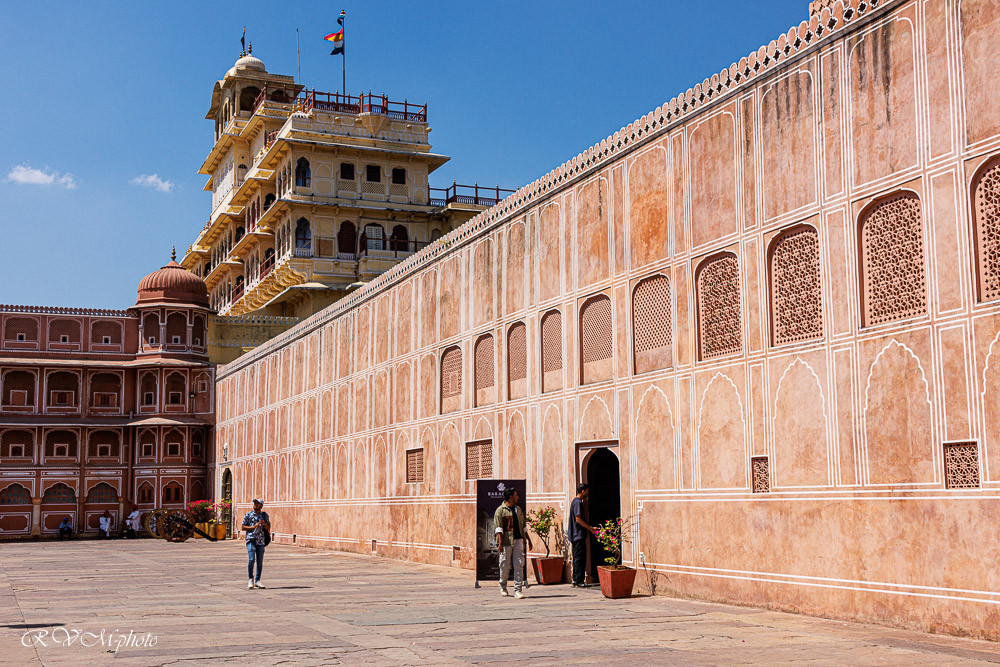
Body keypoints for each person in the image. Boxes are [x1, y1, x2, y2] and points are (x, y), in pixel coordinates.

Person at [493, 488, 533, 599]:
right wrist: (500, 543)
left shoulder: (518, 510)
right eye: (516, 495)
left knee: (519, 564)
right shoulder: (500, 510)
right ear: (511, 497)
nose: (518, 497)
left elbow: (523, 526)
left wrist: (528, 540)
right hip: (506, 542)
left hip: (518, 540)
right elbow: (498, 528)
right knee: (505, 565)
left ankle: (518, 590)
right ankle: (503, 586)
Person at [568, 483, 596, 587]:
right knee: (580, 558)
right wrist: (590, 528)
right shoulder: (578, 502)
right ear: (583, 491)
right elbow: (578, 519)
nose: (588, 494)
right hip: (578, 534)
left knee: (577, 557)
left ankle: (576, 580)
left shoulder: (575, 502)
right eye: (587, 491)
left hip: (575, 534)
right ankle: (579, 581)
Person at [242, 498, 271, 589]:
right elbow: (243, 527)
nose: (255, 504)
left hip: (261, 540)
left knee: (259, 561)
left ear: (261, 505)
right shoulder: (248, 515)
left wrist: (264, 524)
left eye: (257, 503)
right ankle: (250, 578)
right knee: (251, 559)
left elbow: (268, 528)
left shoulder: (264, 515)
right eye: (254, 503)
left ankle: (257, 580)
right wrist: (253, 527)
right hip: (251, 539)